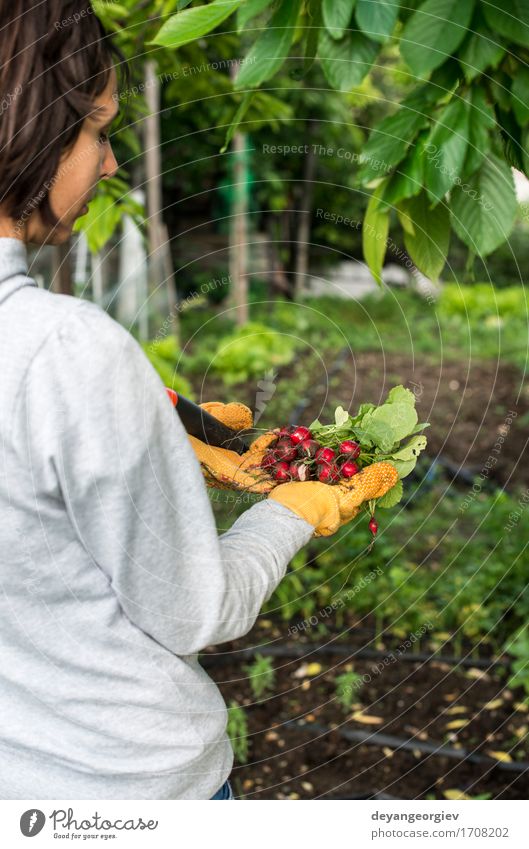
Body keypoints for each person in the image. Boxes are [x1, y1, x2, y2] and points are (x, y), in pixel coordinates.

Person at [0, 1, 397, 801]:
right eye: (100, 128)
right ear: (31, 126)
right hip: (126, 787)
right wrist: (290, 508)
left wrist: (149, 433)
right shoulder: (64, 349)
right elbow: (194, 610)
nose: (109, 164)